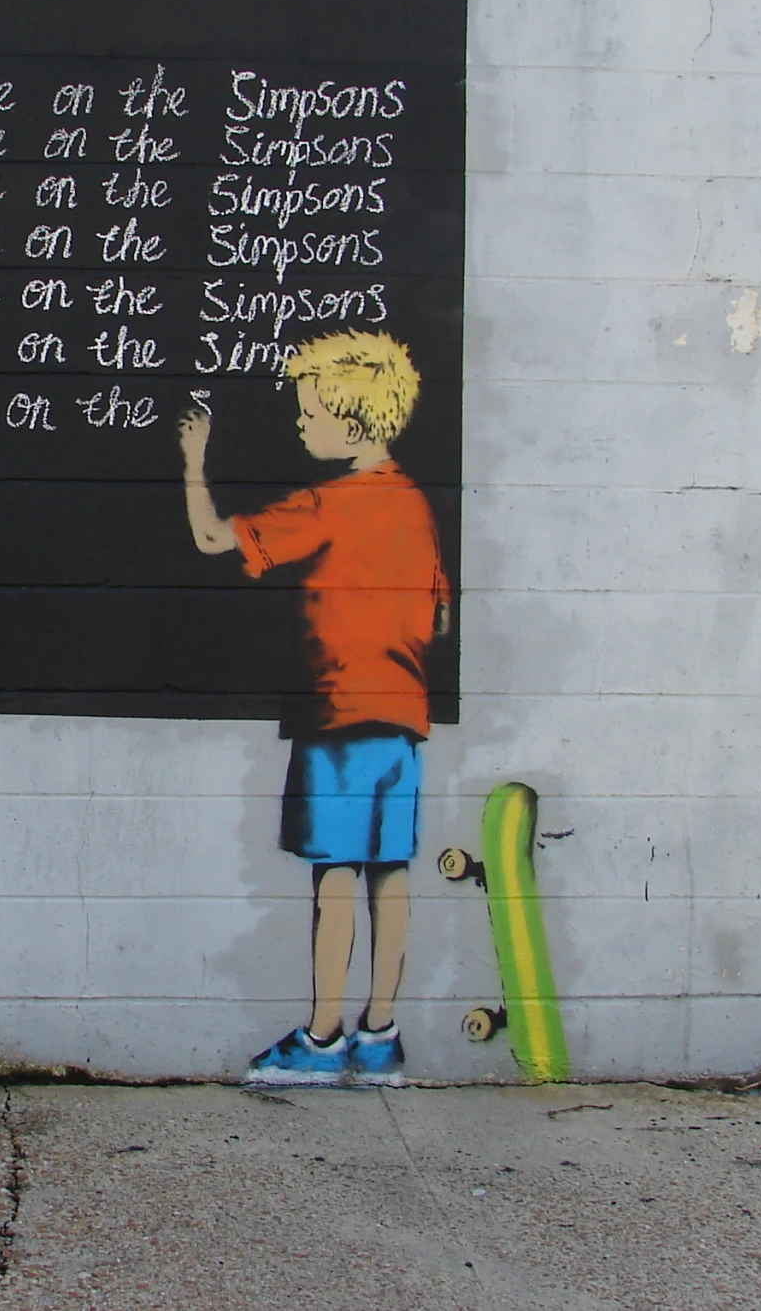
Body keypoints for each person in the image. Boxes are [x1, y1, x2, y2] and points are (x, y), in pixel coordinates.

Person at [179, 330, 449, 1086]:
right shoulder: (416, 505)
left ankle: (323, 1036)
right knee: (388, 871)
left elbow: (209, 539)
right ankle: (381, 1033)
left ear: (352, 425)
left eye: (308, 415)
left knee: (334, 875)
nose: (299, 427)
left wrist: (193, 462)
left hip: (338, 716)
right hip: (403, 718)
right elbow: (439, 619)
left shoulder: (328, 503)